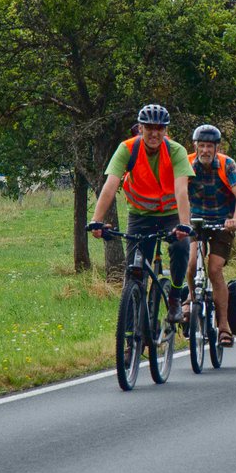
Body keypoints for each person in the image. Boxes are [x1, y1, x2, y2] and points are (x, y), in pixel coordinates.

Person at [88, 103, 194, 322]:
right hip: (140, 216)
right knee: (134, 273)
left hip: (171, 215)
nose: (154, 133)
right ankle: (132, 334)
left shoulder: (176, 151)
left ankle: (175, 296)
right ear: (140, 128)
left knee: (181, 247)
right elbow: (110, 185)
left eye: (159, 128)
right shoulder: (127, 149)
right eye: (149, 127)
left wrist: (184, 225)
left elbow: (181, 190)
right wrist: (96, 221)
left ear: (166, 130)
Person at [185, 124, 236, 348]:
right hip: (196, 220)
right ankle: (191, 298)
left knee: (214, 269)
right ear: (195, 146)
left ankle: (223, 325)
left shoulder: (227, 164)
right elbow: (178, 191)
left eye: (210, 146)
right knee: (192, 262)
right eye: (201, 146)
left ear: (216, 147)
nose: (205, 151)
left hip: (223, 222)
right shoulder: (187, 164)